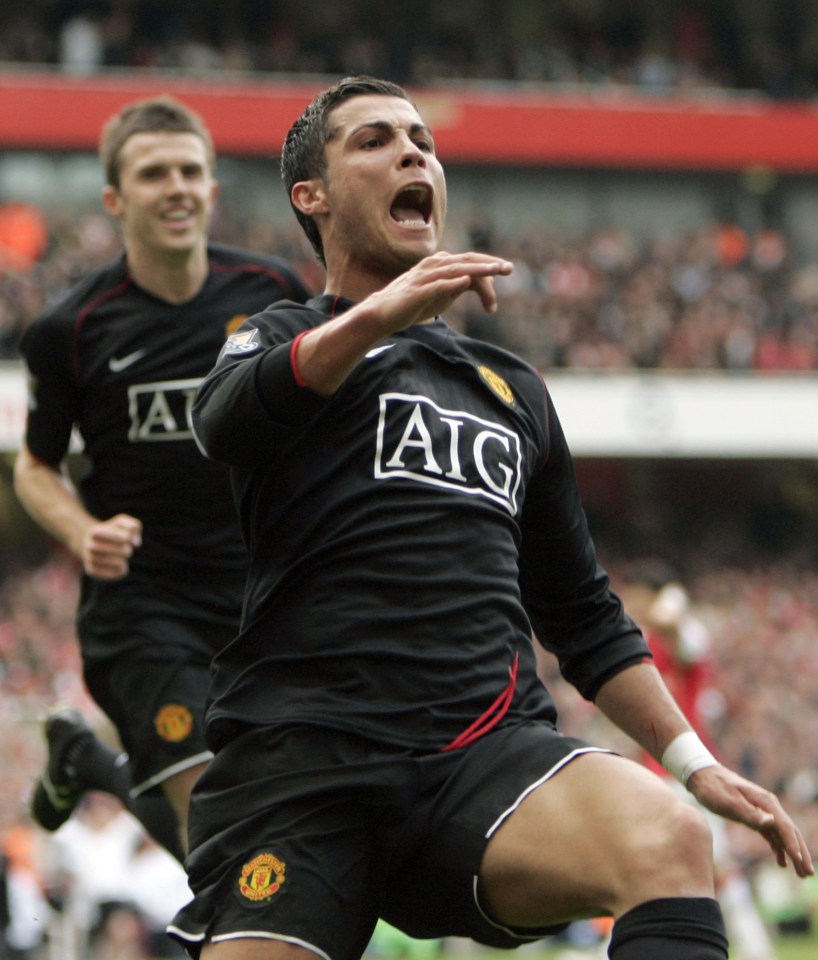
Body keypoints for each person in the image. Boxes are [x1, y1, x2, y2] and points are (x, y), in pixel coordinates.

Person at [167, 76, 813, 960]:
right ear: (308, 197)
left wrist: (698, 765)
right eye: (374, 140)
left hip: (479, 761)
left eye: (423, 140)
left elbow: (583, 614)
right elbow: (224, 419)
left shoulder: (511, 392)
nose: (412, 152)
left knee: (668, 837)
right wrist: (376, 318)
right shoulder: (278, 336)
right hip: (301, 771)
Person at [14, 94, 310, 861]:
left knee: (269, 822)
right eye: (153, 173)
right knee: (215, 839)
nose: (175, 187)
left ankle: (91, 763)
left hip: (258, 596)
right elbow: (36, 469)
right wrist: (83, 532)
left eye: (190, 171)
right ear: (115, 198)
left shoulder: (273, 293)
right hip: (142, 604)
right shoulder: (71, 328)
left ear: (213, 190)